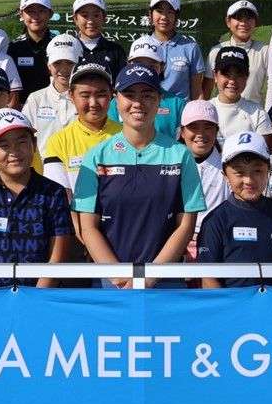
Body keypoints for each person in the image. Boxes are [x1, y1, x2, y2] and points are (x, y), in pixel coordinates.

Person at [73, 61, 206, 288]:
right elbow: (88, 227)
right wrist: (118, 278)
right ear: (116, 99)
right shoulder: (96, 156)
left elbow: (185, 226)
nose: (138, 103)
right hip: (112, 285)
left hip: (164, 284)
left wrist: (149, 278)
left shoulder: (180, 155)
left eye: (147, 95)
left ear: (159, 100)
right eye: (129, 95)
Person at [0, 109, 74, 288]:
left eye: (21, 142)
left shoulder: (54, 193)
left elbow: (57, 259)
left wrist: (35, 298)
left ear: (34, 144)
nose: (14, 151)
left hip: (41, 297)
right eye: (4, 145)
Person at [197, 131, 272, 288]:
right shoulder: (215, 220)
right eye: (239, 172)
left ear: (268, 171)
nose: (248, 180)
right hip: (232, 302)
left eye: (257, 171)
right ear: (225, 175)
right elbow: (209, 280)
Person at [42, 62, 121, 195]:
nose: (93, 103)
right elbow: (60, 196)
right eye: (85, 95)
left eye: (101, 94)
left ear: (111, 94)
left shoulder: (129, 135)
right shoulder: (59, 141)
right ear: (71, 96)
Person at [107, 36, 186, 138]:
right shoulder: (115, 103)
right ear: (128, 64)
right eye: (137, 64)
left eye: (151, 66)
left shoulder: (177, 104)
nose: (143, 70)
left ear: (162, 67)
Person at [180, 100, 231, 251]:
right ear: (182, 132)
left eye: (208, 127)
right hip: (177, 239)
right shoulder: (170, 164)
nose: (201, 134)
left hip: (218, 240)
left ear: (216, 131)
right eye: (193, 127)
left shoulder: (228, 166)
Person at [204, 0, 269, 105]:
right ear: (228, 21)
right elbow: (207, 89)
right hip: (222, 111)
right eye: (238, 18)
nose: (243, 23)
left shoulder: (264, 50)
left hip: (253, 112)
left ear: (255, 22)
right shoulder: (216, 51)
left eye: (248, 18)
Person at [21, 34, 80, 149]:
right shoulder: (35, 99)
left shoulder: (87, 99)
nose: (64, 69)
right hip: (43, 160)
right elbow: (24, 137)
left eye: (70, 63)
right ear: (49, 65)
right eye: (57, 63)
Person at [207, 44, 272, 146]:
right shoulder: (205, 110)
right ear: (215, 76)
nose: (232, 81)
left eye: (239, 75)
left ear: (247, 77)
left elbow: (264, 151)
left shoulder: (258, 113)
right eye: (226, 74)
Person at [147, 0, 204, 101]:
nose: (164, 17)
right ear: (150, 13)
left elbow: (197, 92)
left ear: (177, 16)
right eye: (159, 11)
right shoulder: (141, 45)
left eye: (169, 12)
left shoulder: (190, 47)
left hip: (182, 110)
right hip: (149, 109)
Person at [9, 0, 58, 97]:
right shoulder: (13, 47)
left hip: (54, 104)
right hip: (22, 106)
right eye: (30, 11)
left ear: (50, 13)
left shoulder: (59, 44)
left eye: (41, 11)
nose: (36, 16)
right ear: (21, 15)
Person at [70, 0, 125, 81]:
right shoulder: (68, 49)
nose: (91, 21)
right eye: (85, 15)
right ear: (75, 18)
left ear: (104, 17)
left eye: (96, 15)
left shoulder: (116, 51)